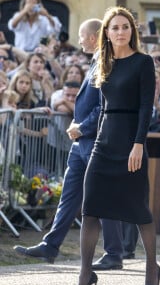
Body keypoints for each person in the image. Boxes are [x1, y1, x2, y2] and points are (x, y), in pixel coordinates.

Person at [13, 19, 124, 267]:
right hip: (81, 142)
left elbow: (104, 107)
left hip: (94, 140)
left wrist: (81, 127)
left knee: (103, 197)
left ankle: (115, 253)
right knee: (70, 196)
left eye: (82, 35)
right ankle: (50, 245)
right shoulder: (95, 61)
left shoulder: (107, 63)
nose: (79, 39)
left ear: (94, 37)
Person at [67, 7, 160, 285]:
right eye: (115, 27)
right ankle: (85, 274)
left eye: (125, 27)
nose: (120, 32)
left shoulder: (143, 62)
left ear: (132, 30)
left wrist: (138, 143)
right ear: (106, 33)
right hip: (103, 143)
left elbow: (146, 107)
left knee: (138, 209)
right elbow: (102, 107)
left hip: (130, 142)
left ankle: (152, 268)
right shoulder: (102, 61)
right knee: (91, 207)